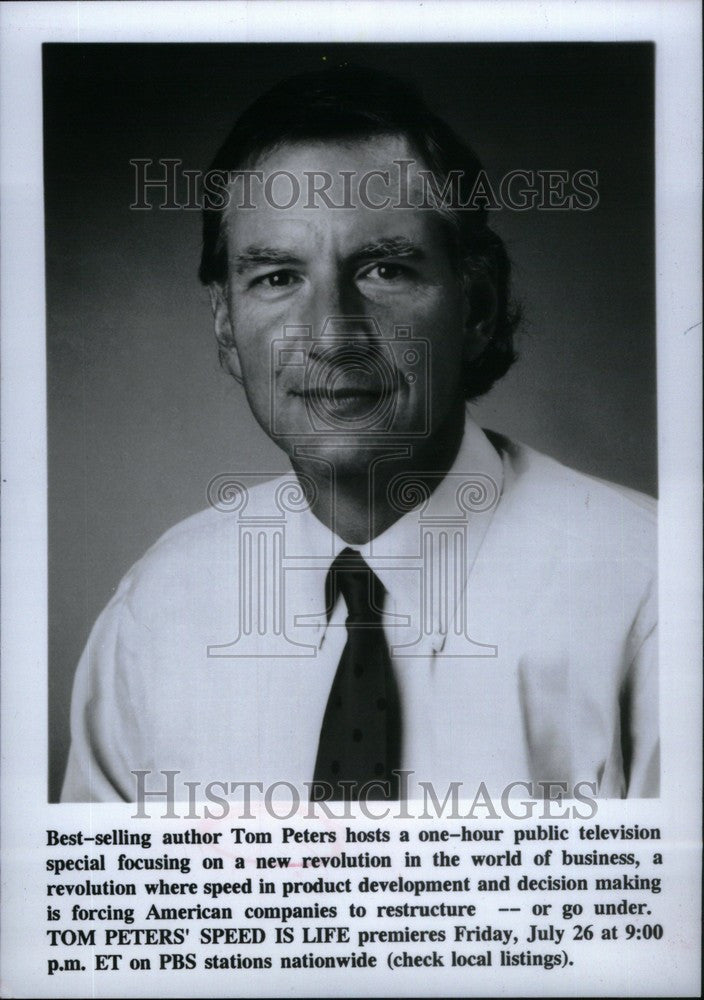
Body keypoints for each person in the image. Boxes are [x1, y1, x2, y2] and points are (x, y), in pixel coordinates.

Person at [61, 66, 657, 804]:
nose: (332, 335)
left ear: (477, 307)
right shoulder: (155, 613)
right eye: (277, 277)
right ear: (225, 326)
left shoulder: (651, 597)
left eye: (384, 268)